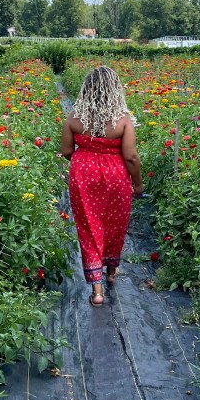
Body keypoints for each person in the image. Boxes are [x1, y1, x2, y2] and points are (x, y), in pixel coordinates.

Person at [60, 65, 143, 307]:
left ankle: (97, 291)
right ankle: (111, 273)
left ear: (87, 90)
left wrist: (86, 160)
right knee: (115, 224)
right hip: (116, 176)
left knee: (88, 227)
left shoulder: (75, 118)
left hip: (83, 176)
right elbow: (131, 158)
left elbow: (66, 150)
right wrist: (137, 184)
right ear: (115, 90)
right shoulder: (122, 120)